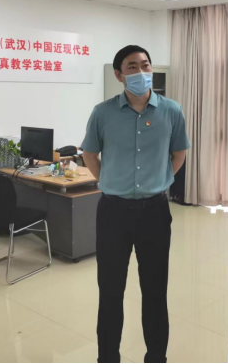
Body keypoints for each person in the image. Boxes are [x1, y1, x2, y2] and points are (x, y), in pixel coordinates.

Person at [82, 45, 190, 364]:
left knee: (155, 292)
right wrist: (108, 181)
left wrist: (160, 180)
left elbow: (179, 154)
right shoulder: (103, 113)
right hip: (113, 212)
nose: (141, 72)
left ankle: (156, 357)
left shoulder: (171, 110)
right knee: (110, 292)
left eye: (145, 65)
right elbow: (89, 154)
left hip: (154, 212)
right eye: (132, 67)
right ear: (119, 75)